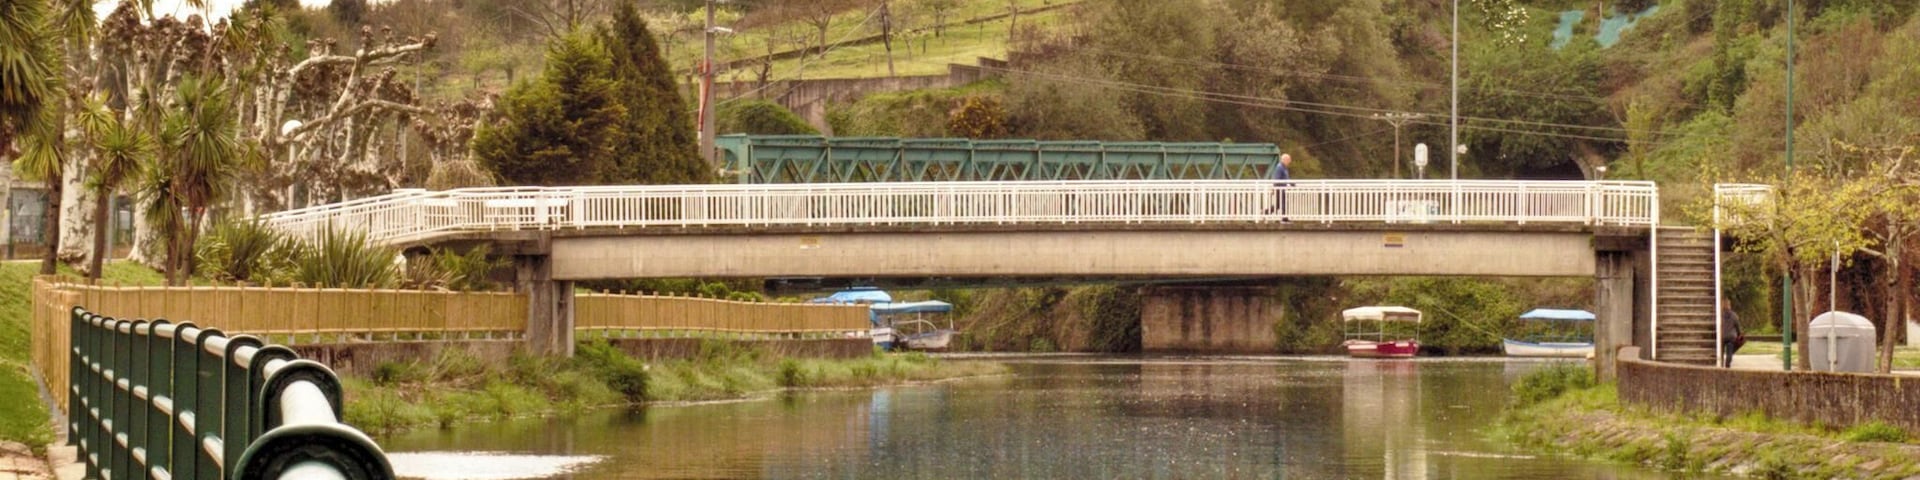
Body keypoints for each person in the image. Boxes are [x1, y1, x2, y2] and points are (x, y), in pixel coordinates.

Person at [1264, 153, 1293, 222]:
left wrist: (1292, 184)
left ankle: (1266, 212)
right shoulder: (1280, 167)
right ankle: (1283, 217)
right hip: (1279, 188)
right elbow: (1277, 179)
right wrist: (1274, 188)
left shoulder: (1284, 167)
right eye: (1289, 160)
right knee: (1281, 203)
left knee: (1279, 204)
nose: (1290, 161)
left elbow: (1286, 179)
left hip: (1282, 188)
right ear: (1284, 160)